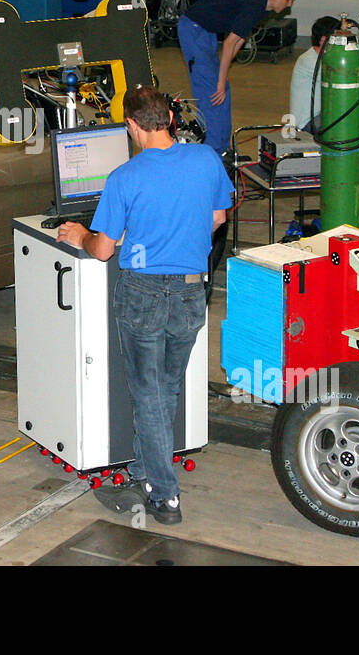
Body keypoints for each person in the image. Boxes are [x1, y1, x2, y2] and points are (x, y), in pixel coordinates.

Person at [56, 85, 233, 525]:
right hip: (192, 293)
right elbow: (218, 218)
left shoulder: (126, 178)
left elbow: (102, 250)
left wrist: (78, 235)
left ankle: (164, 495)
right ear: (171, 120)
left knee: (149, 394)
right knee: (164, 387)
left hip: (144, 295)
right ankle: (142, 467)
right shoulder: (206, 159)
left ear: (133, 126)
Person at [178, 0, 297, 154]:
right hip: (193, 28)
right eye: (288, 0)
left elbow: (241, 37)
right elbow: (228, 43)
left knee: (222, 90)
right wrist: (219, 81)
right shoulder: (255, 5)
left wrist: (222, 78)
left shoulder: (263, 6)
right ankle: (211, 152)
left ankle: (223, 147)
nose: (289, 4)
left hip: (207, 30)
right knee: (212, 90)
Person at [288, 16, 359, 134]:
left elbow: (353, 73)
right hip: (307, 121)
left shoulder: (330, 58)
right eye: (337, 38)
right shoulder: (309, 60)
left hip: (325, 113)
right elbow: (346, 77)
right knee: (358, 129)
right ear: (324, 40)